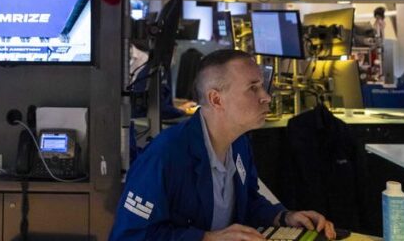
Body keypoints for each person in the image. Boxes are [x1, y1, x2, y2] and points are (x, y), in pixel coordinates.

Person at [110, 49, 336, 241]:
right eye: (253, 88)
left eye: (262, 86)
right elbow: (129, 236)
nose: (266, 97)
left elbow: (248, 202)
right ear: (216, 99)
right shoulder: (165, 155)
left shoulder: (239, 143)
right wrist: (206, 238)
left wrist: (284, 217)